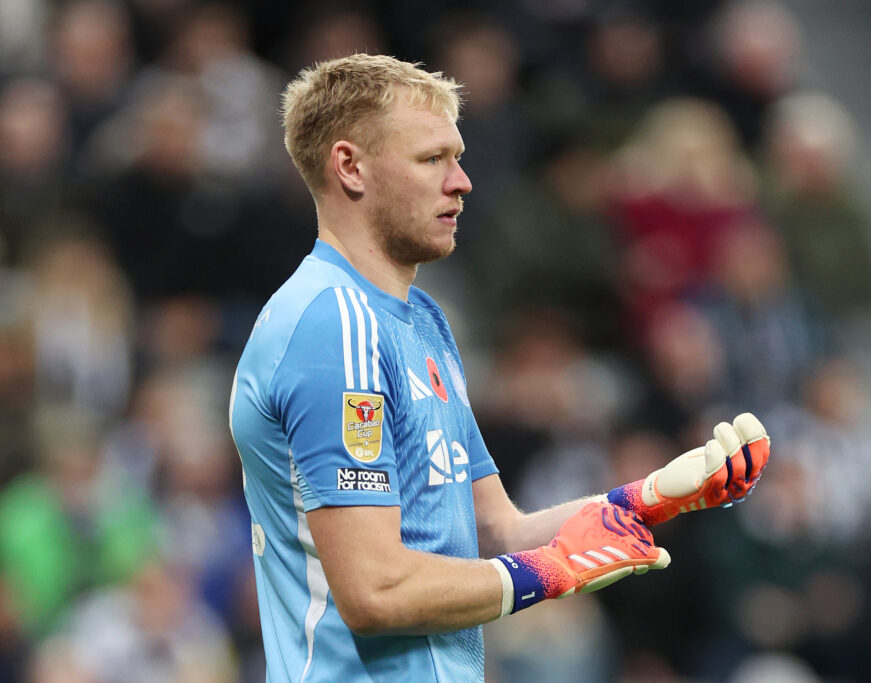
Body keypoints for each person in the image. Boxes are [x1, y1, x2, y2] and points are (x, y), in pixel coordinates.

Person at [228, 54, 771, 682]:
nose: (461, 182)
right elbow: (376, 592)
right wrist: (551, 573)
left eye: (457, 157)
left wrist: (647, 499)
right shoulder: (335, 325)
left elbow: (494, 529)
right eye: (432, 158)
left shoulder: (421, 321)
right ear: (350, 166)